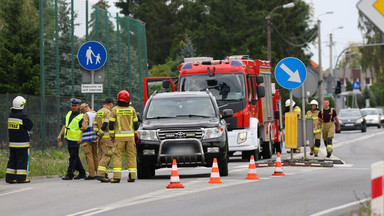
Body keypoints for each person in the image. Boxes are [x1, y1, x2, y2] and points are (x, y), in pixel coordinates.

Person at [109, 90, 140, 183]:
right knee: (131, 156)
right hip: (130, 138)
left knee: (118, 156)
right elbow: (136, 124)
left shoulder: (115, 110)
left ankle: (116, 177)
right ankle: (132, 176)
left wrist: (112, 135)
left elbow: (111, 124)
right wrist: (135, 135)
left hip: (119, 138)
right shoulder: (132, 109)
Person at [57, 98, 87, 180]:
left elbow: (83, 129)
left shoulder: (81, 116)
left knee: (73, 157)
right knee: (75, 156)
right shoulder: (69, 114)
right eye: (72, 105)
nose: (73, 107)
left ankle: (70, 173)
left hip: (76, 140)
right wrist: (60, 135)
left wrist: (81, 138)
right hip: (69, 139)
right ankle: (82, 173)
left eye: (75, 105)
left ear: (78, 106)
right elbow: (64, 125)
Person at [6, 96, 33, 184]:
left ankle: (10, 177)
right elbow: (30, 125)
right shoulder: (23, 116)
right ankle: (21, 178)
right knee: (22, 160)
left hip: (12, 143)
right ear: (21, 105)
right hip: (22, 144)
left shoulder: (10, 115)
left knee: (12, 160)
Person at [93, 98, 114, 182]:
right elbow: (105, 124)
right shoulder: (108, 112)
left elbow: (94, 125)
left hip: (101, 138)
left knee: (102, 156)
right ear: (110, 104)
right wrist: (100, 134)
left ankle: (104, 175)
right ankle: (101, 174)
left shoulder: (98, 112)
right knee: (107, 156)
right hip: (107, 138)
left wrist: (97, 133)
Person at [79, 103, 98, 180]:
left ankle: (92, 174)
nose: (83, 113)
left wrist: (81, 129)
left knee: (88, 156)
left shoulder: (86, 114)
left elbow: (84, 126)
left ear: (84, 109)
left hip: (87, 138)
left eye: (82, 111)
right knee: (95, 155)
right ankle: (99, 172)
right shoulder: (96, 113)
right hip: (95, 137)